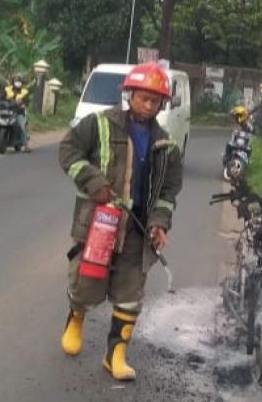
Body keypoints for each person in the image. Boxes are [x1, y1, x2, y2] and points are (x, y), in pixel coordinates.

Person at [58, 62, 184, 382]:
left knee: (130, 293)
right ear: (129, 95)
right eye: (144, 98)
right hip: (101, 222)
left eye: (156, 101)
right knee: (85, 283)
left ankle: (115, 354)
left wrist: (160, 221)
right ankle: (76, 319)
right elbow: (68, 150)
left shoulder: (166, 144)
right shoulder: (99, 123)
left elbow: (169, 190)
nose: (149, 105)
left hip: (138, 229)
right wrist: (93, 182)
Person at [3, 76, 31, 152]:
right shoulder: (7, 89)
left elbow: (27, 101)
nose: (18, 83)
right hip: (8, 111)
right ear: (13, 82)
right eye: (16, 81)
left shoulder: (24, 91)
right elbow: (2, 98)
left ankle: (26, 146)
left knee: (22, 127)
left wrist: (23, 105)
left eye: (19, 82)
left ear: (22, 83)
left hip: (19, 112)